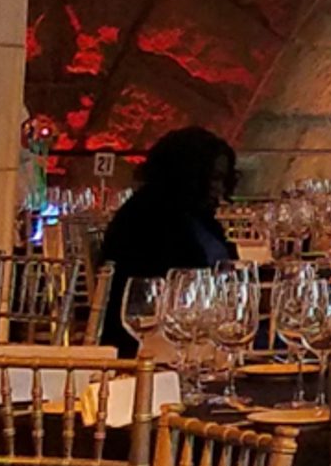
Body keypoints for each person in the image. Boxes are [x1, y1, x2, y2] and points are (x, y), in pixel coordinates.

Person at [97, 126, 239, 353]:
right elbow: (156, 294)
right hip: (154, 345)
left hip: (197, 332)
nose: (219, 188)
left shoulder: (196, 216)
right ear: (188, 174)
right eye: (213, 178)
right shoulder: (147, 220)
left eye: (223, 179)